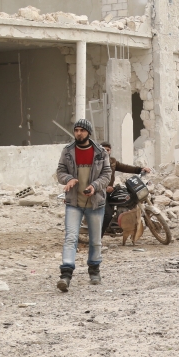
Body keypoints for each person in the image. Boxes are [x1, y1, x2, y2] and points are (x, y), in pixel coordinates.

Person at [55, 119, 113, 291]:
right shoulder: (67, 151)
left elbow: (106, 174)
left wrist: (94, 187)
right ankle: (66, 274)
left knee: (95, 241)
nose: (78, 133)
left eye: (82, 130)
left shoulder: (101, 152)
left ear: (88, 132)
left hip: (95, 203)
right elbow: (60, 171)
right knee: (70, 238)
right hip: (73, 202)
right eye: (76, 130)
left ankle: (94, 270)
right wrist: (69, 179)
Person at [100, 142, 152, 236]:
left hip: (109, 191)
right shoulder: (95, 162)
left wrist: (140, 169)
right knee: (108, 214)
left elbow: (125, 167)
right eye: (103, 149)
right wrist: (103, 188)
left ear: (110, 151)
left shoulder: (112, 161)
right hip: (98, 193)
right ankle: (97, 239)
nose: (106, 152)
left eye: (108, 150)